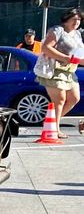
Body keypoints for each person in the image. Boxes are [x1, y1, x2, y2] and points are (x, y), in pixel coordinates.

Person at [37, 8, 83, 138]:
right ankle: (55, 129)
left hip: (70, 71)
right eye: (74, 19)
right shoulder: (57, 30)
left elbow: (78, 53)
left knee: (74, 98)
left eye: (79, 19)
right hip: (54, 70)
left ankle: (50, 122)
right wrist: (66, 58)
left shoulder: (77, 34)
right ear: (66, 19)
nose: (77, 22)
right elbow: (46, 47)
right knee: (60, 100)